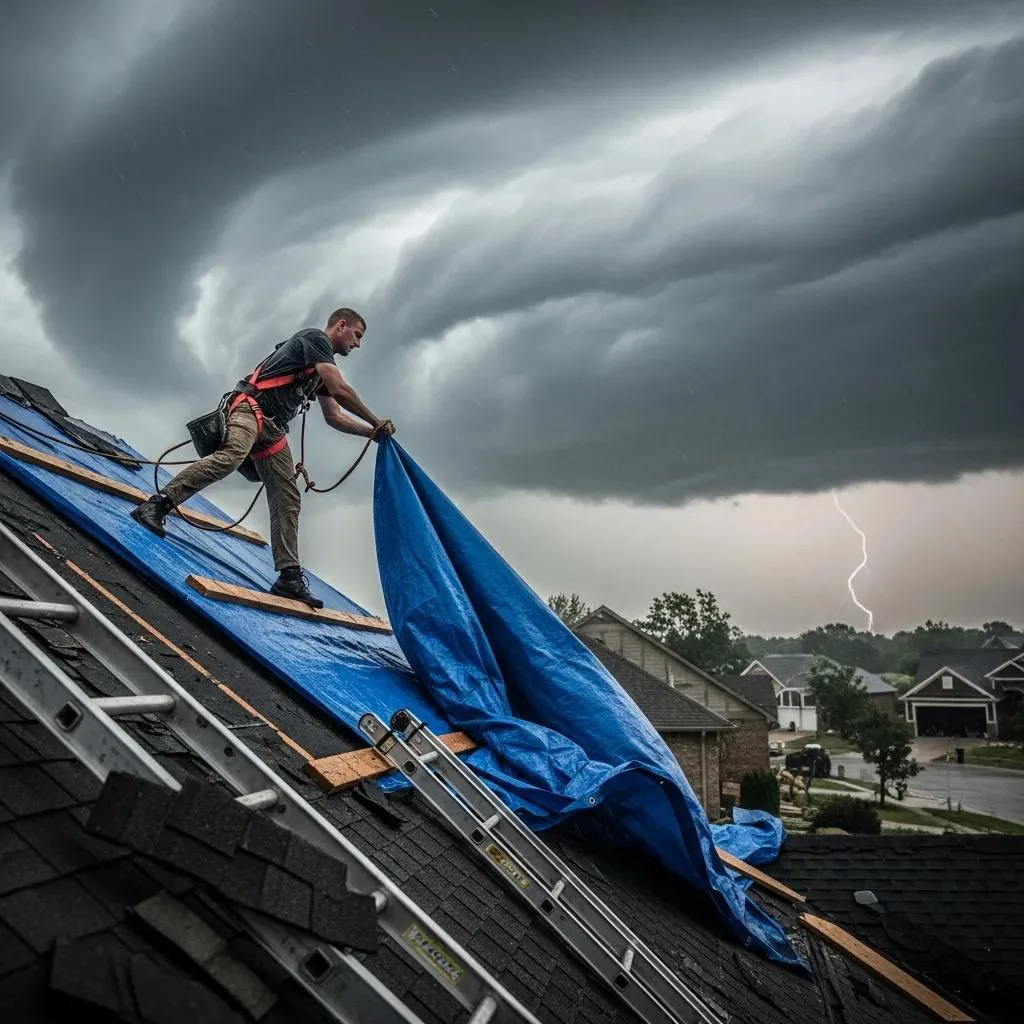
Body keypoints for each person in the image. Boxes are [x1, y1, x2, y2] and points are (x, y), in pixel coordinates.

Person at [130, 307, 394, 609]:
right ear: (341, 325)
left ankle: (289, 579)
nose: (357, 344)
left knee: (287, 496)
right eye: (357, 335)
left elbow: (333, 416)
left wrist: (369, 434)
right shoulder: (315, 339)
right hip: (249, 409)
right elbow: (341, 390)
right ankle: (155, 506)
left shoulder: (319, 370)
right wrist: (375, 421)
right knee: (230, 457)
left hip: (273, 429)